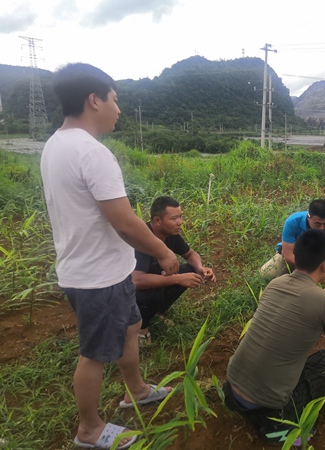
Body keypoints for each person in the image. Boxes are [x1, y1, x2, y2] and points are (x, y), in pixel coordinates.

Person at [40, 63, 179, 450]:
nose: (118, 109)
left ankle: (137, 390)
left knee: (131, 327)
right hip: (96, 276)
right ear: (94, 100)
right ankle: (89, 429)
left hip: (99, 268)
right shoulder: (92, 153)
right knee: (95, 354)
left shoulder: (56, 144)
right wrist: (163, 251)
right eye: (115, 100)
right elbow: (124, 222)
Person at [225, 229, 325, 444]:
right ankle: (281, 428)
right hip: (269, 407)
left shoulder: (276, 284)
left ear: (295, 256)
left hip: (231, 391)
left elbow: (300, 303)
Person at [133, 196, 216, 344]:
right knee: (154, 292)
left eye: (180, 216)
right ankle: (140, 328)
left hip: (153, 281)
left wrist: (200, 268)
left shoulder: (170, 235)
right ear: (157, 220)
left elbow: (191, 254)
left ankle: (156, 313)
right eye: (174, 218)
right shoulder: (142, 239)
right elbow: (136, 281)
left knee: (190, 270)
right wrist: (177, 279)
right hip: (126, 294)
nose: (180, 222)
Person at [260, 199, 325, 279]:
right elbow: (288, 255)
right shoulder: (292, 222)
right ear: (308, 217)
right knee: (266, 274)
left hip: (313, 253)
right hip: (294, 252)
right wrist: (309, 267)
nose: (321, 228)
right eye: (317, 224)